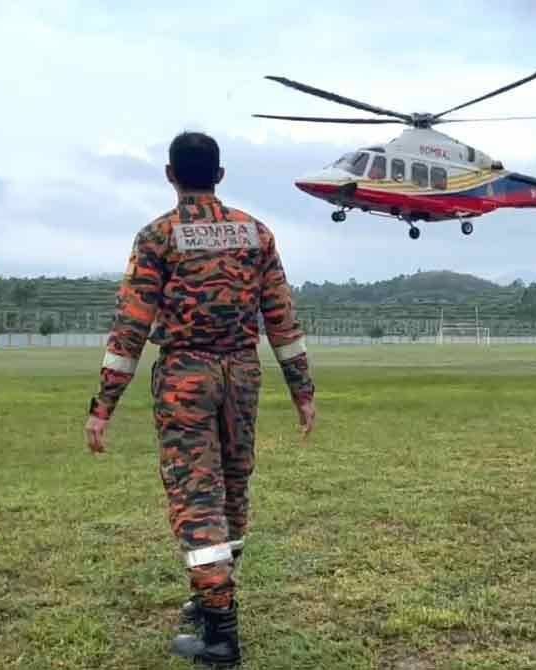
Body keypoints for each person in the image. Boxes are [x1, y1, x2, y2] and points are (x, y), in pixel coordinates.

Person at [84, 131, 316, 666]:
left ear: (170, 175)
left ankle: (219, 633)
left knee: (197, 497)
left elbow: (130, 330)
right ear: (220, 175)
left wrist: (103, 407)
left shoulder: (158, 237)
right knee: (233, 489)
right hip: (241, 374)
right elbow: (281, 320)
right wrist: (302, 391)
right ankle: (211, 596)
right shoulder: (256, 235)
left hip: (186, 377)